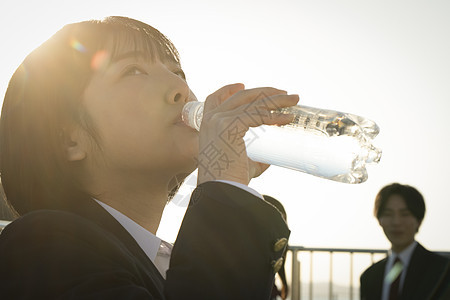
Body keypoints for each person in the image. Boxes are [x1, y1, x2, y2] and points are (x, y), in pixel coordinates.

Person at [0, 16, 296, 299]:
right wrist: (227, 190)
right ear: (70, 140)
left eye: (178, 73)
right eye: (133, 70)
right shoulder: (41, 247)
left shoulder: (164, 262)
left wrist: (232, 182)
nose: (182, 88)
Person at [360, 183, 450, 300]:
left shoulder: (443, 271)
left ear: (418, 220)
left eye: (405, 214)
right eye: (388, 214)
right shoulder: (369, 276)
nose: (396, 222)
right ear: (379, 220)